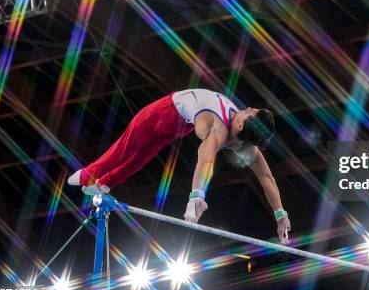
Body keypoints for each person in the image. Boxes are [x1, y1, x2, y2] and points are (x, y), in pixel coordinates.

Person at [67, 88, 291, 243]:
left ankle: (105, 183)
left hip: (179, 125)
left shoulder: (245, 145)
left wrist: (280, 214)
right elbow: (205, 158)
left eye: (248, 111)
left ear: (241, 125)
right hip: (162, 112)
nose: (247, 106)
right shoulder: (220, 128)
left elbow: (266, 178)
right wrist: (197, 195)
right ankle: (90, 174)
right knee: (127, 148)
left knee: (143, 156)